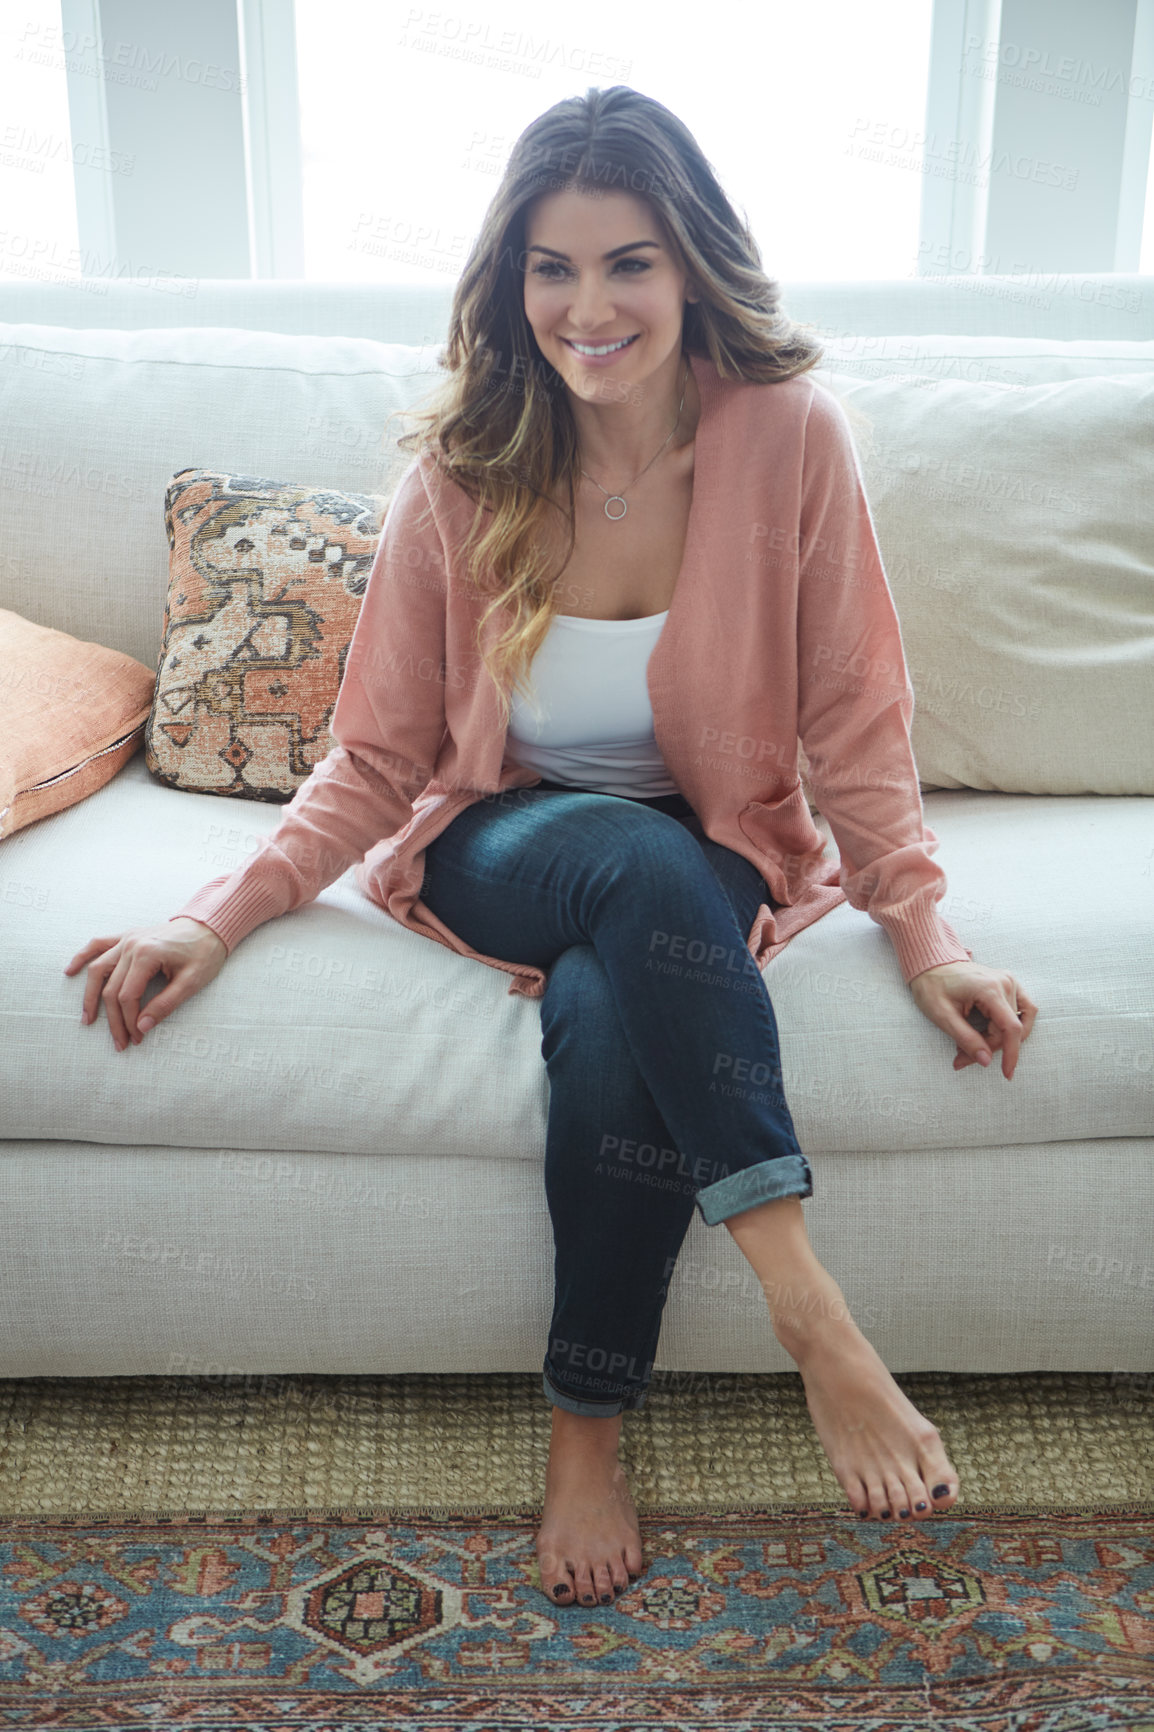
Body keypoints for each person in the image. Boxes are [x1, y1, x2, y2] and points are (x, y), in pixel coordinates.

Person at [65, 86, 1037, 1613]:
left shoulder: (787, 440)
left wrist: (927, 933)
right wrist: (222, 912)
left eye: (628, 263)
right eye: (551, 267)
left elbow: (855, 720)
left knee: (606, 1018)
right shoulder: (465, 464)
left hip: (702, 853)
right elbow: (380, 756)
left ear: (691, 265)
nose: (588, 306)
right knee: (616, 867)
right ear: (508, 284)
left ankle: (585, 1423)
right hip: (498, 837)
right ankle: (815, 1319)